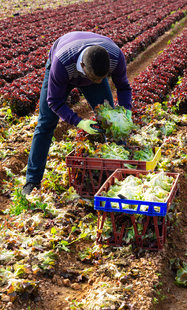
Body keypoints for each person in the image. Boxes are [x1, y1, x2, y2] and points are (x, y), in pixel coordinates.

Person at [22, 31, 132, 195]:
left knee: (109, 119)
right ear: (83, 67)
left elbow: (123, 87)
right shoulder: (61, 64)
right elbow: (54, 101)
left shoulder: (116, 57)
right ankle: (32, 180)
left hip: (90, 66)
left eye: (104, 78)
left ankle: (120, 172)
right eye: (96, 79)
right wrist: (79, 122)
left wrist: (126, 113)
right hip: (66, 66)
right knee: (46, 123)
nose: (100, 83)